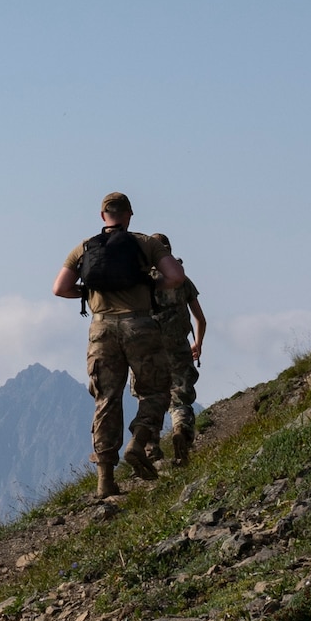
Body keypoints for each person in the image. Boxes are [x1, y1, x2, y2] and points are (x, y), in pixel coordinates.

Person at [52, 192, 186, 499]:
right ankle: (138, 442)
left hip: (101, 330)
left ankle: (105, 480)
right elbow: (176, 277)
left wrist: (87, 295)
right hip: (140, 325)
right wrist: (153, 287)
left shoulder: (84, 248)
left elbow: (59, 288)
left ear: (103, 216)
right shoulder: (144, 243)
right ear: (129, 215)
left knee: (106, 400)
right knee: (155, 389)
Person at [147, 232, 206, 466]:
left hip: (147, 349)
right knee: (180, 400)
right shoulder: (182, 280)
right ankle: (181, 430)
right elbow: (200, 318)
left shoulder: (142, 281)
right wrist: (198, 344)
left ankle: (151, 450)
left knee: (148, 398)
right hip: (178, 348)